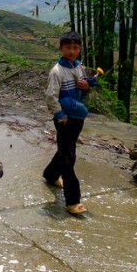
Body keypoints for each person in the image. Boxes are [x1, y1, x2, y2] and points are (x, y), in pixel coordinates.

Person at [43, 31, 98, 215]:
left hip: (77, 117)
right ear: (61, 49)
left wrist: (87, 87)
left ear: (80, 49)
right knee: (69, 157)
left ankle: (50, 175)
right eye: (68, 47)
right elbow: (51, 96)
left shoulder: (78, 67)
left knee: (66, 148)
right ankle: (72, 200)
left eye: (75, 47)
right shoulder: (57, 72)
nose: (72, 51)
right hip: (65, 118)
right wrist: (60, 115)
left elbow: (82, 89)